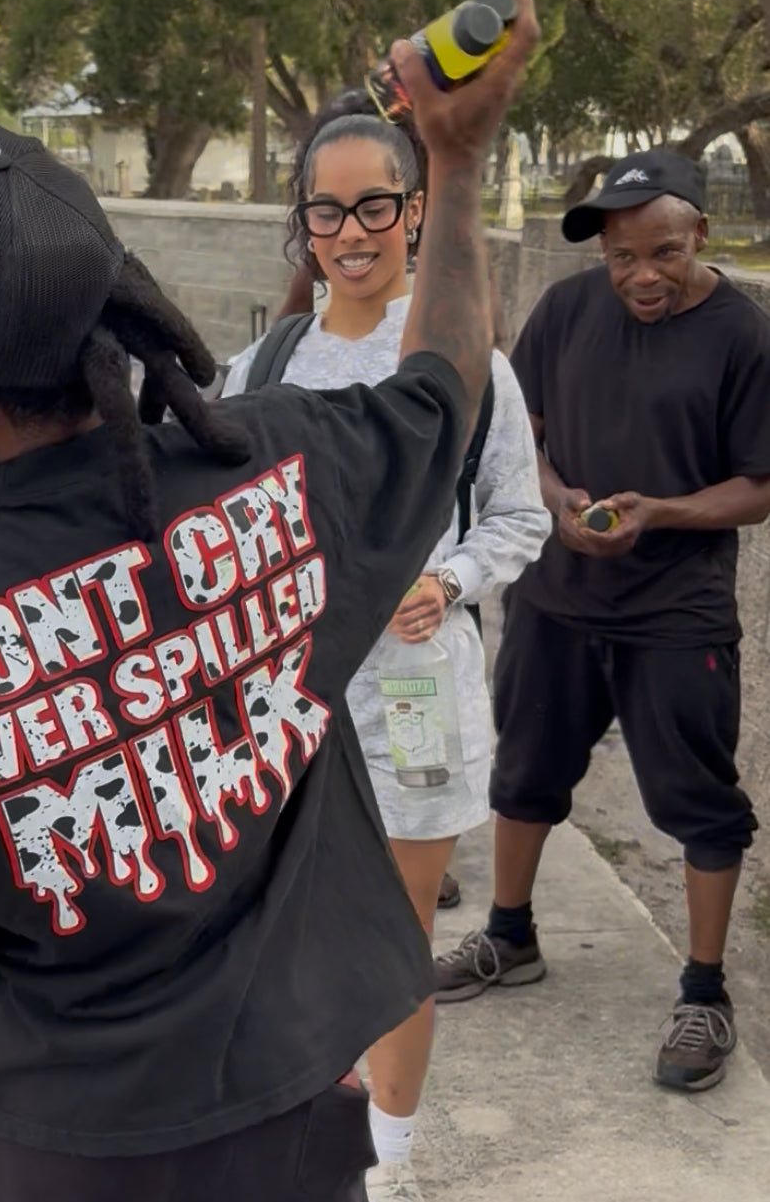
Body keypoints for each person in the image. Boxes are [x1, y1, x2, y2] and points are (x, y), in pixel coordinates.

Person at [0, 0, 538, 1202]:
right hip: (294, 1122)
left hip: (61, 1144)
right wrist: (460, 162)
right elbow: (442, 380)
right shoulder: (285, 468)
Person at [222, 90, 549, 1200]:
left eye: (374, 207)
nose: (350, 233)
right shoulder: (262, 368)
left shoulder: (467, 364)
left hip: (411, 690)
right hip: (285, 698)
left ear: (415, 212)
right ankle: (290, 1127)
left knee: (396, 928)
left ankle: (391, 1156)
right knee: (273, 922)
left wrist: (448, 578)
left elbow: (519, 513)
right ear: (299, 223)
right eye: (326, 211)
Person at [434, 149, 770, 1094]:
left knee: (697, 800)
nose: (640, 276)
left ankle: (705, 991)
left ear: (700, 234)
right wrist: (553, 499)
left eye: (660, 252)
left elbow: (757, 488)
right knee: (525, 771)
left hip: (677, 611)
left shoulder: (742, 336)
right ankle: (509, 936)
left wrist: (658, 513)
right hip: (555, 596)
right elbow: (521, 435)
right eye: (621, 257)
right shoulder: (569, 311)